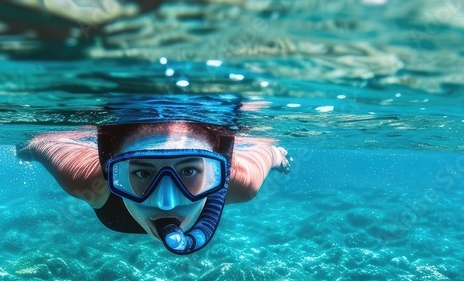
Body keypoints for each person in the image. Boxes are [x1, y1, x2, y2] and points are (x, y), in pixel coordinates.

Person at [16, 103, 290, 254]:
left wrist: (277, 155)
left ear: (217, 173)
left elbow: (267, 154)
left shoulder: (240, 182)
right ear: (111, 172)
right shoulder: (87, 179)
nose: (166, 204)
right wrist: (27, 149)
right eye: (143, 173)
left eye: (189, 171)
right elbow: (41, 146)